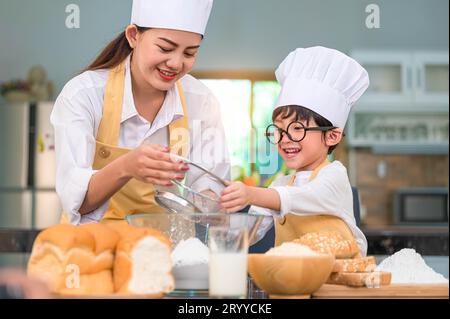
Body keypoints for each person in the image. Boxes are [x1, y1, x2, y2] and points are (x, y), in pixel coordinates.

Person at [51, 0, 230, 224]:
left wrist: (213, 201)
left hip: (168, 251)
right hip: (95, 249)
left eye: (189, 53)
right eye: (165, 48)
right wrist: (127, 166)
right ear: (134, 35)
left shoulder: (201, 102)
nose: (175, 63)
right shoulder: (84, 94)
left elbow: (212, 193)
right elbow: (76, 202)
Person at [220, 46, 369, 256]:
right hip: (294, 282)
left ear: (332, 135)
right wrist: (219, 214)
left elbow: (300, 197)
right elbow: (249, 232)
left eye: (297, 129)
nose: (284, 139)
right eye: (278, 130)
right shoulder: (280, 185)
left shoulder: (335, 176)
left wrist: (250, 193)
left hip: (339, 284)